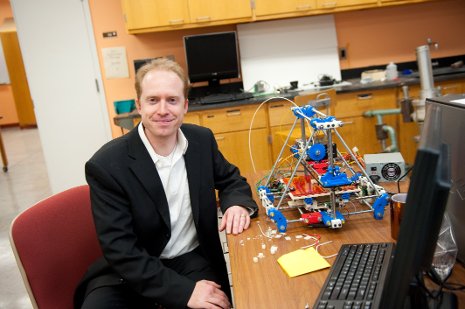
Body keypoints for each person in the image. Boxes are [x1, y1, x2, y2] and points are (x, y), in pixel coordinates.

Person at [74, 58, 258, 309]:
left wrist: (236, 204)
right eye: (153, 100)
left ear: (185, 106)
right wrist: (183, 292)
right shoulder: (106, 165)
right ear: (139, 105)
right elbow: (121, 250)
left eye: (172, 100)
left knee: (218, 306)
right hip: (128, 271)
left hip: (190, 260)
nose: (163, 110)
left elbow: (231, 179)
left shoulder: (201, 140)